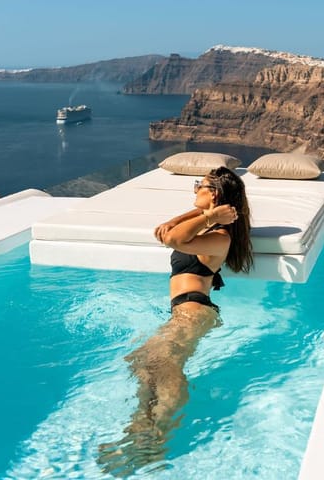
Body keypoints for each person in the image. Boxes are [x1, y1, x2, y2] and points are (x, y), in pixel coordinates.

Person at [98, 166, 252, 476]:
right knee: (142, 361)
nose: (195, 189)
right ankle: (142, 426)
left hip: (194, 312)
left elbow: (172, 238)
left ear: (215, 194)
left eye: (201, 185)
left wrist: (211, 217)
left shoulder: (219, 236)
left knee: (166, 367)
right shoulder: (207, 227)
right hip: (183, 312)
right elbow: (164, 229)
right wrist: (208, 212)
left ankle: (158, 437)